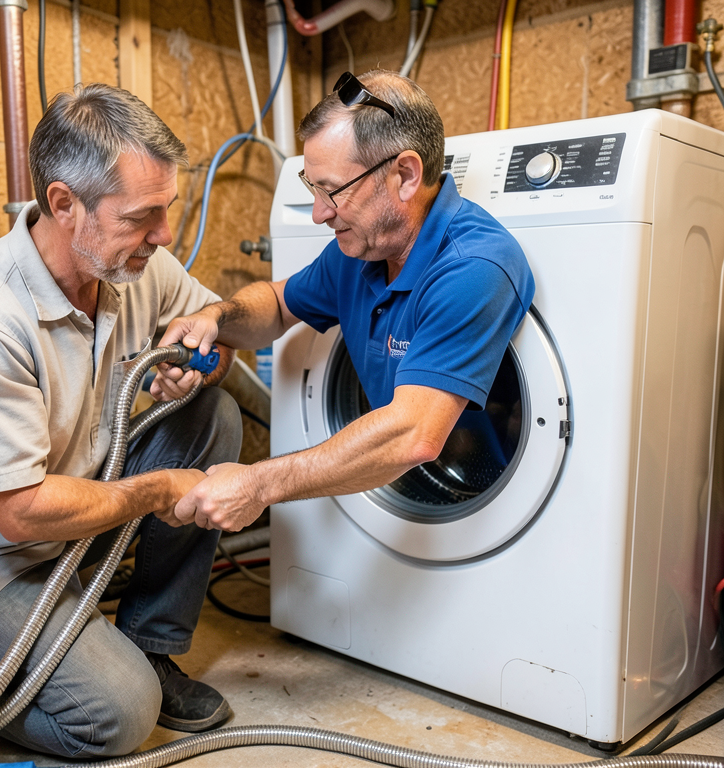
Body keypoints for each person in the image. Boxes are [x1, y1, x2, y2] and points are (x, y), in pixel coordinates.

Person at [0, 83, 243, 759]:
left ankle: (151, 645)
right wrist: (158, 491)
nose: (164, 235)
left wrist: (202, 357)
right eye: (142, 217)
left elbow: (216, 333)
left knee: (211, 418)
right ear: (65, 205)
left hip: (65, 521)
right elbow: (21, 511)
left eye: (168, 210)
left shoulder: (132, 263)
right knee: (117, 715)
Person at [155, 70, 535, 533]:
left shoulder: (473, 267)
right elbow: (277, 305)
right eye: (311, 188)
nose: (319, 213)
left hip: (480, 490)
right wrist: (216, 318)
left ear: (406, 175)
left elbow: (413, 434)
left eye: (332, 190)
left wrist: (258, 484)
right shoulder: (359, 251)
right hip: (401, 485)